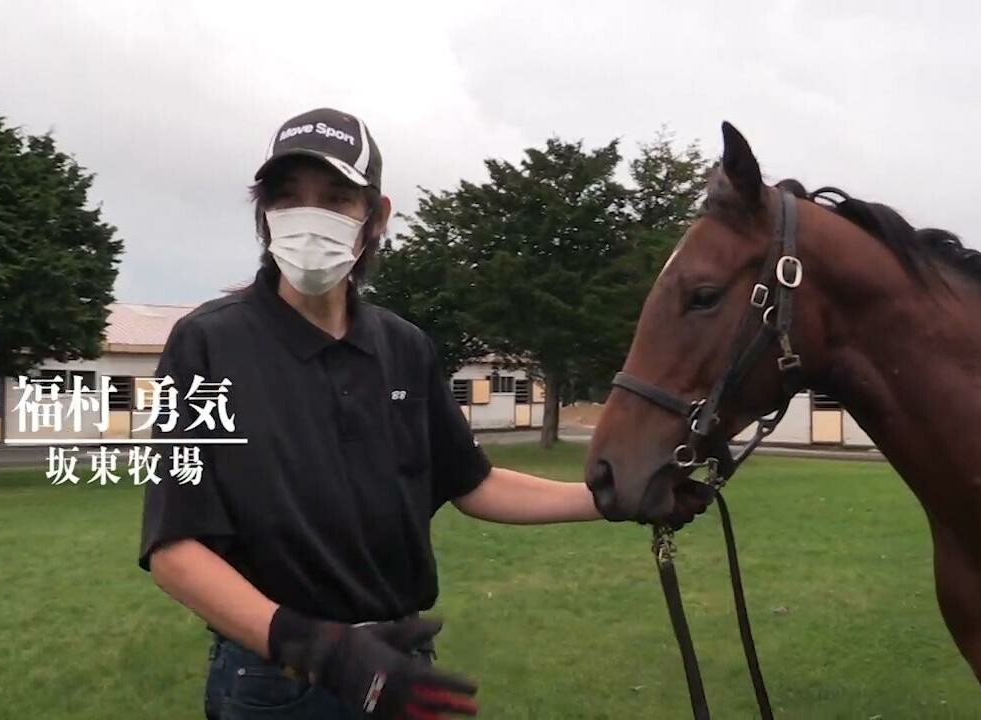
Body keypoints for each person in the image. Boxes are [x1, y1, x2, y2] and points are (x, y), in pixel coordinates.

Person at [138, 107, 710, 720]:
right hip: (277, 679)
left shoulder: (403, 348)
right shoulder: (207, 346)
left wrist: (611, 498)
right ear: (264, 213)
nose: (310, 217)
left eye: (336, 198)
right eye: (287, 197)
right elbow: (177, 548)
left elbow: (474, 483)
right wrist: (321, 649)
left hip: (400, 666)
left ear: (375, 219)